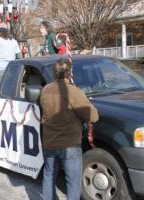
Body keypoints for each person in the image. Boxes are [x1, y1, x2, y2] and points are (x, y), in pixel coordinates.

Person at [40, 60, 99, 200]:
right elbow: (93, 116)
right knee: (72, 182)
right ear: (69, 73)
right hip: (69, 144)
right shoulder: (73, 91)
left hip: (49, 143)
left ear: (54, 73)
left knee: (48, 177)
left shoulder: (45, 90)